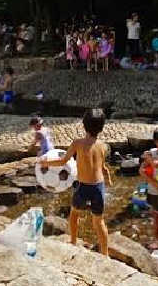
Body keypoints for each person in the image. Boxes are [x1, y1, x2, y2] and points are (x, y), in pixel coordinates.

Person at [41, 108, 112, 256]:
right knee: (98, 221)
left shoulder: (77, 143)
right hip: (99, 186)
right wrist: (108, 178)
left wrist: (46, 164)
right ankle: (105, 254)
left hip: (83, 187)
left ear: (84, 125)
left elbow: (63, 160)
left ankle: (73, 241)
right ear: (102, 127)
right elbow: (103, 166)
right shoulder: (103, 146)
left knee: (74, 214)